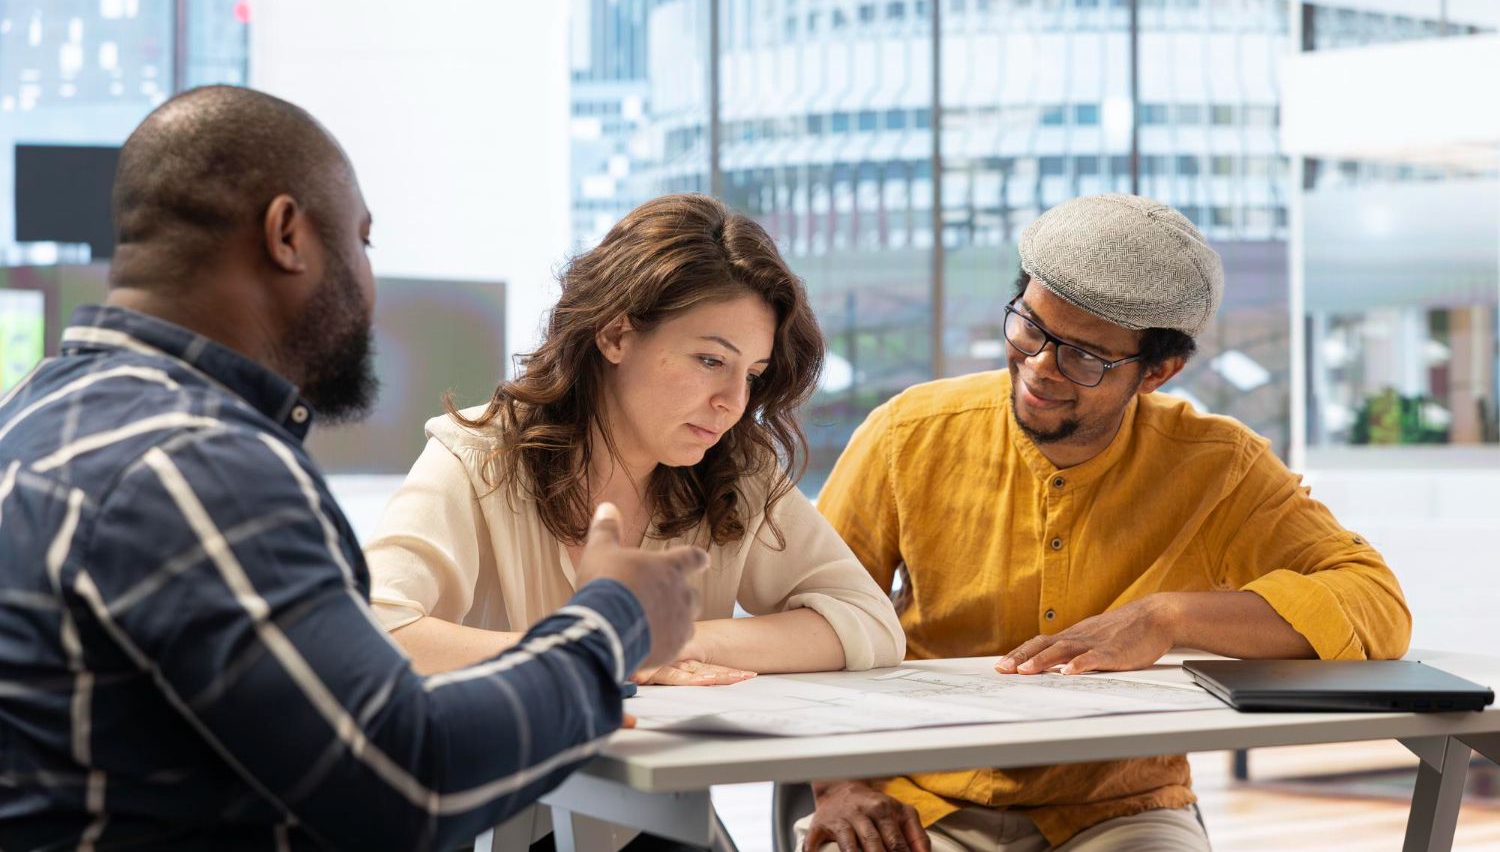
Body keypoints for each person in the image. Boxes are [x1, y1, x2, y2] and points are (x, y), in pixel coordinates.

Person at [0, 85, 708, 851]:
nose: (368, 284)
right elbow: (412, 775)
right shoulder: (196, 465)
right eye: (362, 242)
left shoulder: (30, 418)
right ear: (287, 235)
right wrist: (616, 619)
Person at [799, 194, 1411, 852]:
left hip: (1120, 808)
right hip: (914, 796)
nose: (1039, 367)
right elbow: (813, 621)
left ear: (1158, 372)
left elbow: (1377, 605)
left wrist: (1168, 617)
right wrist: (839, 785)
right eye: (1029, 328)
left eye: (1085, 358)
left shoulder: (1219, 465)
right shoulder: (907, 433)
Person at [364, 193, 904, 685]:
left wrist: (674, 641)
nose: (733, 402)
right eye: (710, 360)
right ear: (616, 334)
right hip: (502, 789)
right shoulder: (477, 454)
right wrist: (587, 653)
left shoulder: (738, 469)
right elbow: (374, 633)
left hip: (667, 789)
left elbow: (869, 621)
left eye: (753, 374)